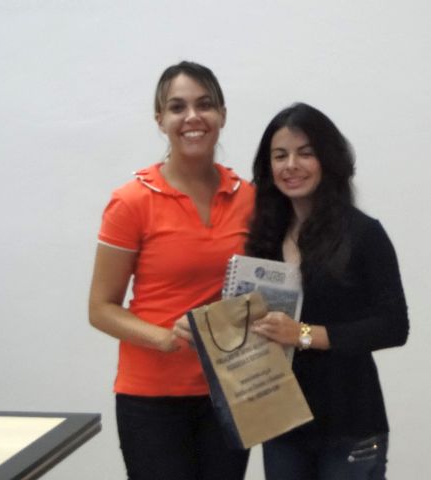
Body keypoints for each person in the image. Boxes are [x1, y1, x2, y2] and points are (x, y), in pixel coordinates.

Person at [88, 61, 253, 480]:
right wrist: (164, 338)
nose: (193, 117)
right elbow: (101, 309)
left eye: (205, 104)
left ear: (222, 115)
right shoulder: (131, 202)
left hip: (231, 392)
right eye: (178, 107)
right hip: (152, 399)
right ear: (160, 119)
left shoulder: (249, 198)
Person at [246, 102, 409, 480]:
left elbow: (393, 326)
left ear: (329, 160)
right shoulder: (264, 239)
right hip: (282, 425)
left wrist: (303, 334)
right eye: (280, 156)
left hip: (349, 424)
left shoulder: (364, 234)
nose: (291, 165)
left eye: (305, 153)